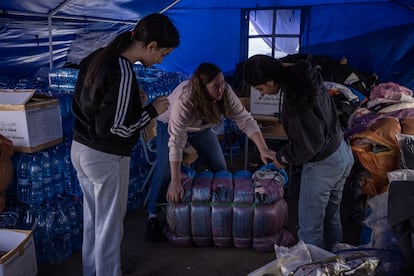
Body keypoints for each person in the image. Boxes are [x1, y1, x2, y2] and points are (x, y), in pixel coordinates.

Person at [70, 13, 179, 276]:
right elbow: (115, 128)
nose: (161, 60)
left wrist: (133, 101)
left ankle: (91, 271)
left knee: (93, 221)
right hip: (104, 157)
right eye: (162, 54)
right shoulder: (122, 69)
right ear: (151, 46)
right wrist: (151, 110)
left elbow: (93, 103)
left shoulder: (99, 57)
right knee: (110, 226)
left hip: (81, 148)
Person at [145, 62, 275, 241]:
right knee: (166, 170)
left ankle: (218, 212)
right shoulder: (186, 98)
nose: (221, 89)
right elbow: (176, 141)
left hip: (201, 129)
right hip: (169, 126)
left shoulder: (225, 92)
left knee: (220, 167)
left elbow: (245, 119)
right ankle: (152, 216)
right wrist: (175, 181)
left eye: (222, 83)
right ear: (202, 87)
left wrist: (263, 148)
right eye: (216, 86)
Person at [243, 54, 354, 250]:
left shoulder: (297, 97)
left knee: (310, 229)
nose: (261, 94)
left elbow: (308, 146)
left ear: (270, 80)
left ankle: (315, 269)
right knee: (331, 219)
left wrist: (282, 157)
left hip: (323, 164)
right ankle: (335, 264)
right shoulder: (304, 75)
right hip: (341, 153)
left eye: (261, 88)